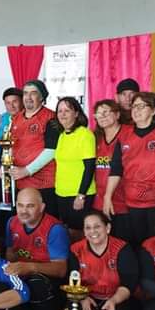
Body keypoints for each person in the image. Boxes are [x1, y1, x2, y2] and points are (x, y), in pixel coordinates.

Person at [103, 92, 155, 248]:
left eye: (142, 106)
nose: (136, 110)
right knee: (138, 245)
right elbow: (116, 169)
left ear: (154, 110)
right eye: (134, 106)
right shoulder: (124, 135)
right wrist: (108, 196)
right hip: (133, 202)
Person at [5, 188, 69, 310]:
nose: (24, 211)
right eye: (20, 205)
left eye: (30, 206)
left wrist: (30, 267)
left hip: (50, 279)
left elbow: (61, 269)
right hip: (22, 274)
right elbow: (10, 253)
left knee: (37, 284)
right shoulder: (12, 222)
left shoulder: (55, 229)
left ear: (42, 207)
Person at [8, 80, 59, 216]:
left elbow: (51, 151)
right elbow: (9, 146)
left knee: (45, 223)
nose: (28, 97)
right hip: (20, 182)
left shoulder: (51, 118)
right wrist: (5, 168)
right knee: (23, 222)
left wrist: (27, 170)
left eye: (33, 93)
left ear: (42, 97)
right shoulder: (16, 118)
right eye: (25, 93)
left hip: (43, 184)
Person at [53, 97, 97, 237]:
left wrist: (81, 195)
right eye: (60, 111)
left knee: (78, 234)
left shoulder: (85, 134)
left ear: (76, 113)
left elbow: (89, 167)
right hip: (61, 193)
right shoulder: (62, 135)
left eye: (67, 110)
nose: (63, 114)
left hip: (78, 195)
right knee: (67, 233)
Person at [92, 100, 131, 241]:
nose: (102, 116)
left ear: (118, 115)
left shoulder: (130, 133)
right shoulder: (95, 138)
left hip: (125, 201)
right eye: (98, 113)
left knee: (124, 242)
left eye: (106, 112)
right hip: (100, 201)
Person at [0, 87, 23, 157]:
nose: (11, 106)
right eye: (8, 103)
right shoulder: (2, 118)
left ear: (22, 101)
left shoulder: (29, 117)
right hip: (5, 159)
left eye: (15, 102)